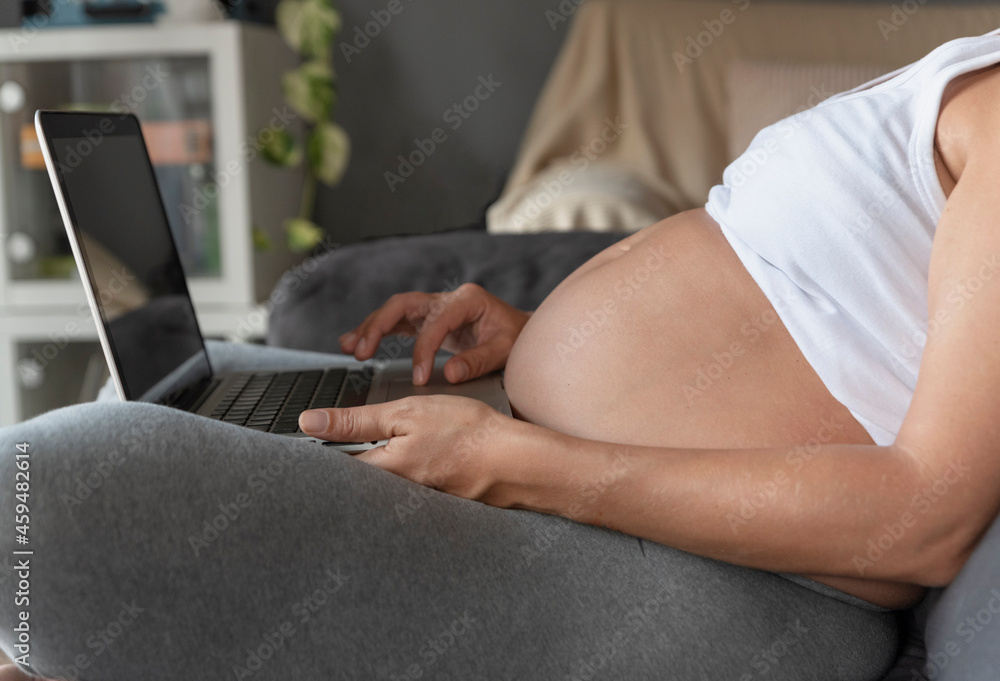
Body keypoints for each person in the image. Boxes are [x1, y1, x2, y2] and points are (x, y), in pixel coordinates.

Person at [4, 27, 1000, 681]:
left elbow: (923, 519)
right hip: (577, 471)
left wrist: (521, 465)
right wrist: (549, 338)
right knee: (177, 383)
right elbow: (832, 306)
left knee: (38, 493)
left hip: (735, 582)